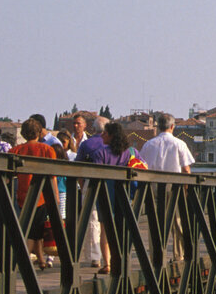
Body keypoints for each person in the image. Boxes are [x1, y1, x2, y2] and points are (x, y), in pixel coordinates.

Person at [139, 113, 195, 261]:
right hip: (174, 186)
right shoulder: (179, 144)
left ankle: (155, 255)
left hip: (152, 185)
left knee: (154, 222)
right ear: (172, 127)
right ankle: (178, 255)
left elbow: (141, 166)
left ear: (158, 127)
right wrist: (187, 188)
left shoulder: (148, 144)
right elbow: (186, 170)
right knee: (177, 220)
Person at [12, 118, 58, 270]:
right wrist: (56, 196)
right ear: (39, 132)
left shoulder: (16, 150)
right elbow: (53, 176)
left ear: (23, 134)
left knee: (33, 230)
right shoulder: (47, 150)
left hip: (22, 196)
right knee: (35, 231)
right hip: (42, 196)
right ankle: (23, 261)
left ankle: (41, 260)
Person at [89, 121, 134, 274]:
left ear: (111, 135)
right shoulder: (128, 152)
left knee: (105, 229)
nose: (102, 135)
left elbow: (96, 174)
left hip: (105, 193)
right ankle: (121, 259)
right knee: (121, 228)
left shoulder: (100, 153)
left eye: (105, 133)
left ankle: (107, 263)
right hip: (123, 193)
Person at [76, 116, 109, 268]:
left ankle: (95, 256)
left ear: (93, 128)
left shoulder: (86, 144)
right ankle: (111, 255)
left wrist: (83, 185)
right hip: (111, 183)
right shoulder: (111, 143)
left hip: (90, 182)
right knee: (109, 219)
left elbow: (78, 167)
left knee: (92, 219)